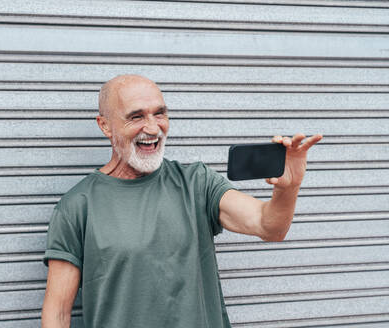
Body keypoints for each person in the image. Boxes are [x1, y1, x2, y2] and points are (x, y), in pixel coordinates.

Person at [41, 74, 323, 328]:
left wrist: (289, 187)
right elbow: (58, 314)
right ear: (105, 125)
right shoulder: (78, 206)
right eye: (136, 116)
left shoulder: (196, 183)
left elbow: (268, 226)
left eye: (160, 114)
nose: (152, 128)